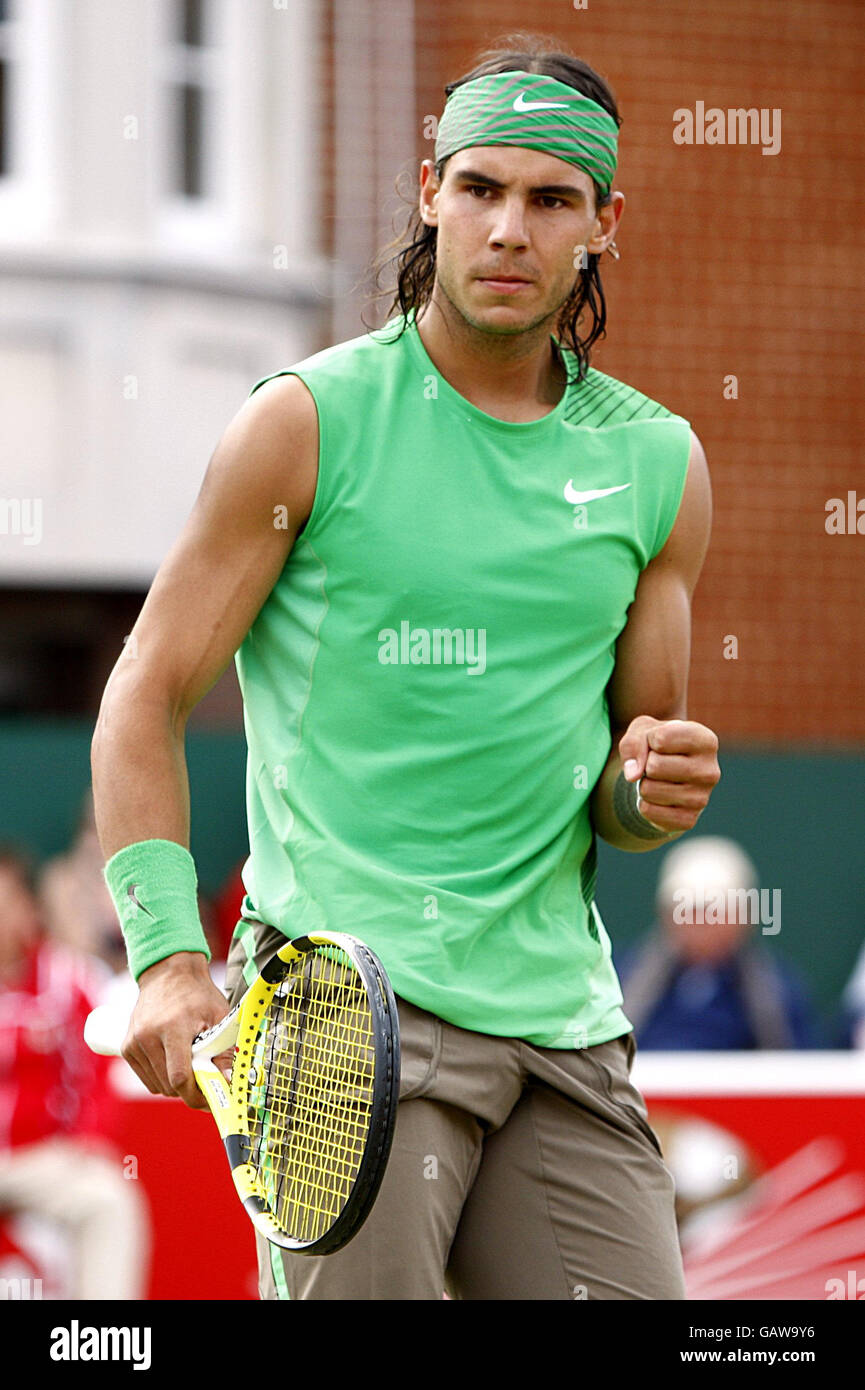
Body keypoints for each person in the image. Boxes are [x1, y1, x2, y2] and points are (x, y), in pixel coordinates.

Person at [91, 34, 721, 1300]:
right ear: (429, 192)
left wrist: (649, 789)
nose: (507, 229)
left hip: (565, 1028)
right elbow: (142, 694)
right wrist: (164, 956)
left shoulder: (658, 466)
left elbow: (628, 777)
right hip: (343, 1020)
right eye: (479, 188)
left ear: (604, 222)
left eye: (549, 200)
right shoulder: (301, 425)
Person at [0, 847, 148, 1298]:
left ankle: (97, 1341)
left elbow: (97, 1075)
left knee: (109, 1199)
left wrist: (88, 1138)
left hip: (44, 1159)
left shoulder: (70, 978)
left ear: (28, 908)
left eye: (5, 902)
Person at [617, 837, 820, 1049]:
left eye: (716, 909)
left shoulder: (778, 992)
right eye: (688, 908)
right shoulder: (619, 980)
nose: (701, 922)